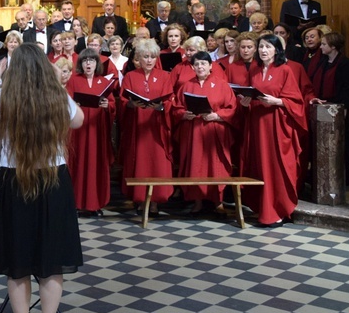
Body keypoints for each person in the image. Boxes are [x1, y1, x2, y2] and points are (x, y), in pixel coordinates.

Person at [0, 44, 83, 313]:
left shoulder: (6, 96)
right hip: (53, 181)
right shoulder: (54, 96)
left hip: (15, 181)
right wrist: (56, 82)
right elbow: (79, 120)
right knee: (51, 261)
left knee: (17, 261)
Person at [239, 34, 306, 227]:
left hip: (277, 124)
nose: (263, 50)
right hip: (258, 123)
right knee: (260, 165)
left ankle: (279, 209)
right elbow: (252, 93)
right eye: (261, 47)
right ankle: (263, 207)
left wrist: (277, 101)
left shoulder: (284, 70)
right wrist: (246, 101)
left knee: (276, 166)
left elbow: (296, 100)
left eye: (268, 47)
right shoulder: (255, 69)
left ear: (276, 50)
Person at [171, 51, 239, 214]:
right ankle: (197, 200)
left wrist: (217, 115)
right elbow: (177, 108)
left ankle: (217, 201)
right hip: (194, 131)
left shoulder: (222, 84)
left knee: (216, 165)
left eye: (203, 63)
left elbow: (232, 108)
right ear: (193, 67)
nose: (200, 67)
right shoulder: (186, 85)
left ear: (210, 66)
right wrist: (184, 114)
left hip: (214, 131)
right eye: (196, 64)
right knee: (195, 165)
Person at [118, 39, 174, 215]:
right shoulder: (130, 76)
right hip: (138, 127)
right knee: (140, 161)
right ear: (138, 58)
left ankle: (156, 200)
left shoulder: (165, 76)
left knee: (157, 162)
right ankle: (140, 199)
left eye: (152, 57)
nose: (149, 60)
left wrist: (162, 107)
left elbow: (171, 100)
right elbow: (122, 100)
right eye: (145, 57)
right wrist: (130, 105)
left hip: (157, 127)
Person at [66, 48, 115, 216]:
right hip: (78, 131)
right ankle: (76, 203)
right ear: (80, 63)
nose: (88, 63)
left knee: (96, 164)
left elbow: (112, 104)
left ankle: (95, 204)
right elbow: (66, 101)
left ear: (97, 64)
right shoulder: (73, 80)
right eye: (85, 60)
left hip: (96, 130)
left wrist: (107, 106)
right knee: (78, 163)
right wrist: (74, 105)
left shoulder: (103, 81)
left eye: (92, 61)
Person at [310, 32, 349, 185]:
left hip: (337, 106)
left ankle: (343, 178)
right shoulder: (323, 61)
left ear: (333, 46)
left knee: (338, 144)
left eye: (323, 44)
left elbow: (348, 89)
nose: (321, 46)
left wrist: (344, 107)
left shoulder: (345, 63)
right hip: (322, 105)